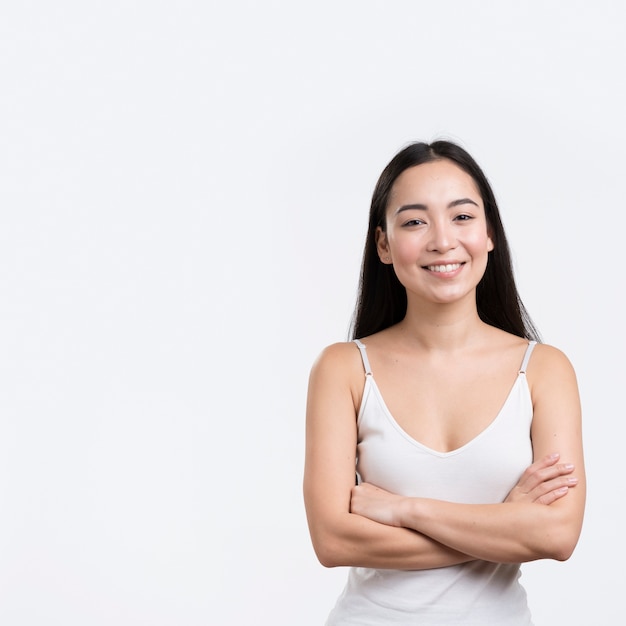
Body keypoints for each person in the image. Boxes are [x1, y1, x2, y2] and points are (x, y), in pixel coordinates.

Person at [303, 140, 585, 625]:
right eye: (414, 221)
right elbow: (333, 541)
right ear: (384, 246)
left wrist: (405, 510)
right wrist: (505, 521)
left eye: (462, 216)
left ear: (490, 233)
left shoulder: (544, 370)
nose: (442, 241)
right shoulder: (344, 368)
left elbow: (557, 536)